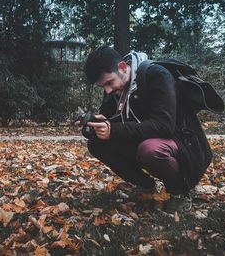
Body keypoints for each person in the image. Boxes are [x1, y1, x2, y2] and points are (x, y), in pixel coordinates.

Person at [79, 45, 213, 213]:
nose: (108, 90)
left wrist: (112, 130)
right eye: (102, 87)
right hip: (147, 139)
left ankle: (179, 191)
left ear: (122, 67)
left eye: (109, 83)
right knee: (96, 144)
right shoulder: (116, 86)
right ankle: (146, 186)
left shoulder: (156, 75)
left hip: (184, 146)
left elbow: (164, 126)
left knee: (150, 150)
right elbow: (108, 119)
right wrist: (91, 124)